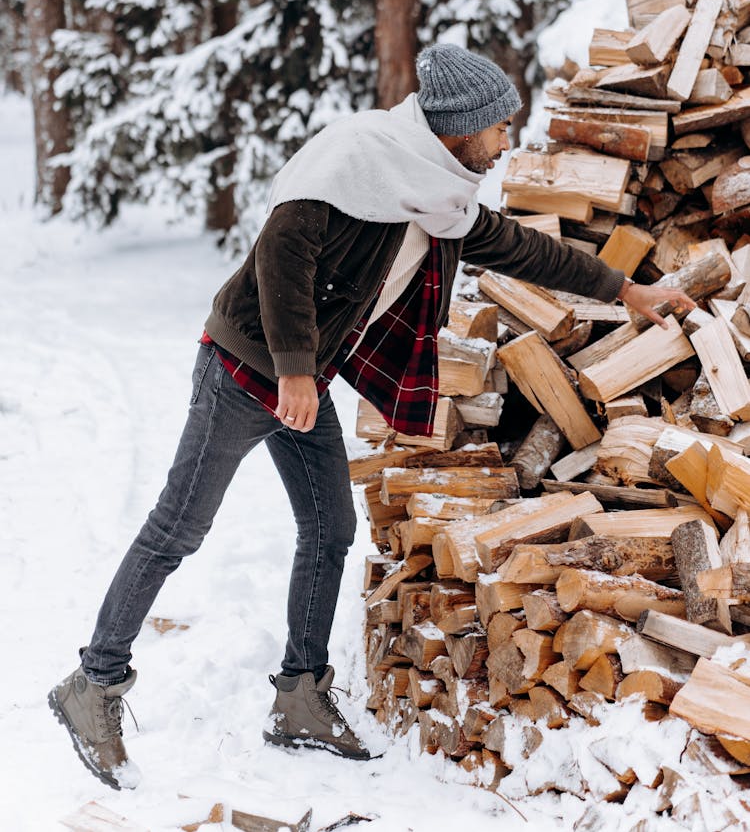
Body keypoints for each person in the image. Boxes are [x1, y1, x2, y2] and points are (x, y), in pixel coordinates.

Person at [49, 44, 694, 789]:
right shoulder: (355, 160)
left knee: (330, 530)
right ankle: (92, 684)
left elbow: (519, 247)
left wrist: (625, 290)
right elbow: (281, 255)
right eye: (501, 127)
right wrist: (293, 366)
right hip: (241, 368)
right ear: (463, 126)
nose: (508, 139)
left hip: (303, 378)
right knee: (179, 527)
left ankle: (299, 695)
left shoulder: (438, 194)